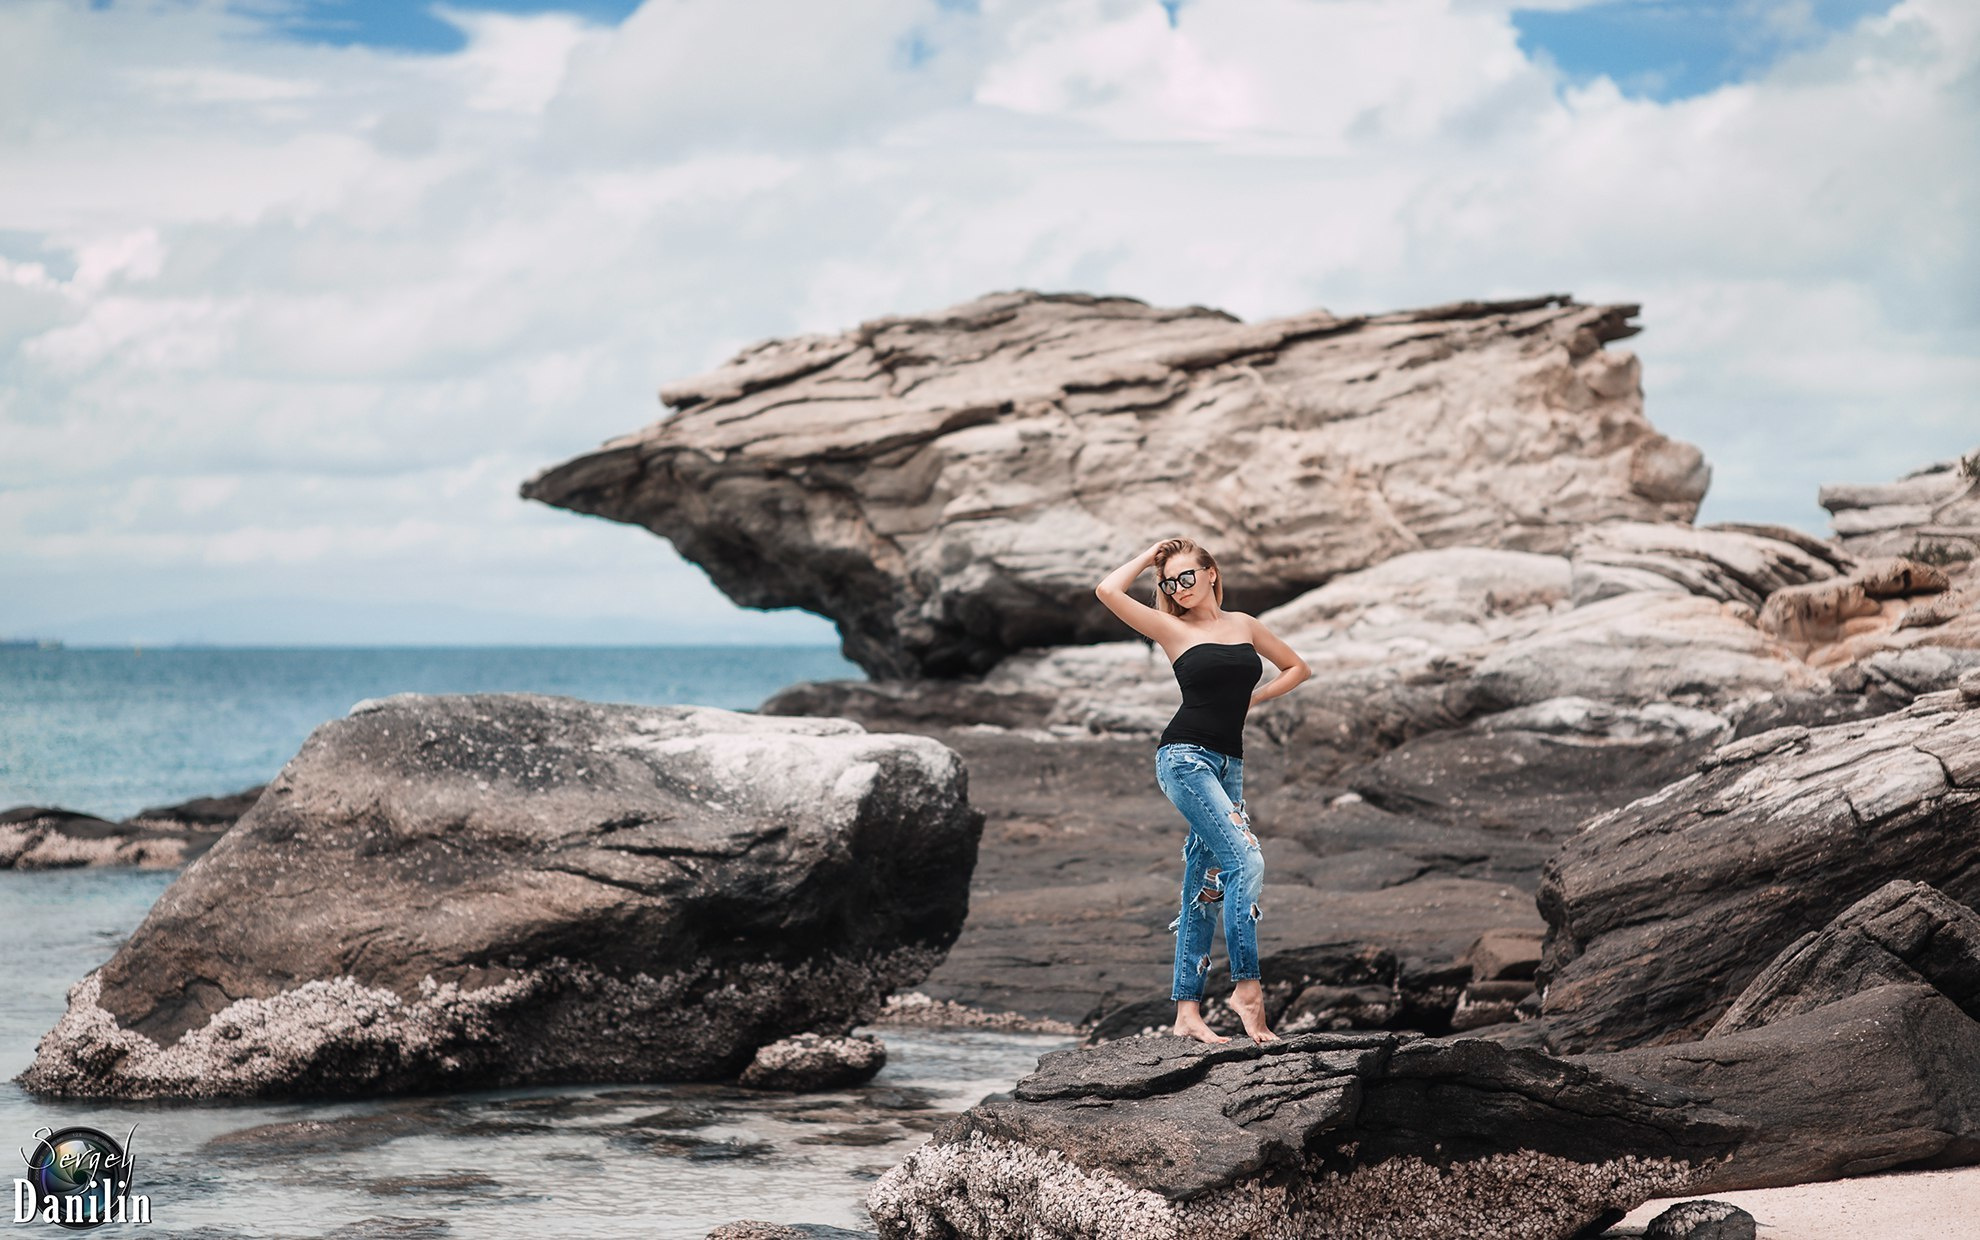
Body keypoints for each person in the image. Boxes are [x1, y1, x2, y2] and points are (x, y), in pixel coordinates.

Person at [1094, 538, 1312, 1044]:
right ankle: (1247, 990)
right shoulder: (1170, 627)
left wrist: (1250, 701)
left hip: (1228, 765)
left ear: (1211, 573)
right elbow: (1107, 590)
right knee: (1246, 862)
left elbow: (1298, 668)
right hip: (1185, 758)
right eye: (1170, 582)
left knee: (1204, 883)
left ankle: (1187, 1013)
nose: (1179, 588)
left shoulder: (1244, 624)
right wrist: (1152, 555)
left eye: (1187, 576)